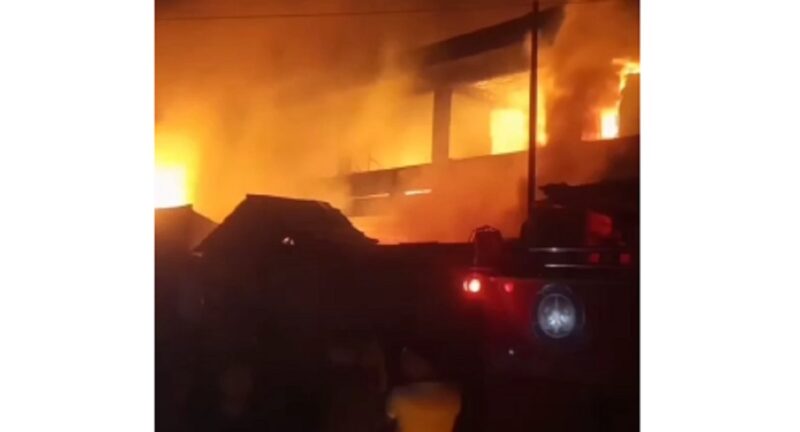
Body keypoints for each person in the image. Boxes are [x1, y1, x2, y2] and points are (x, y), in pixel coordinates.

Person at [386, 347, 462, 432]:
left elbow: (389, 420)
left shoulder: (399, 395)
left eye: (408, 359)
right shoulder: (454, 394)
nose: (403, 365)